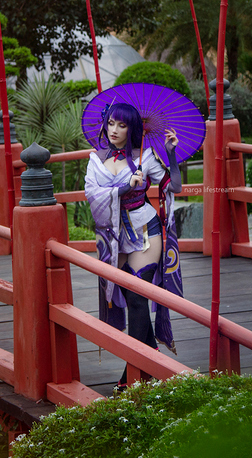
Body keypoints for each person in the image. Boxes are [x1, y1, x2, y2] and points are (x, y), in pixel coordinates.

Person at [84, 102, 184, 389]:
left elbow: (174, 187)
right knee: (128, 298)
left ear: (133, 129)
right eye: (111, 123)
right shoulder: (96, 160)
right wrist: (125, 187)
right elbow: (93, 197)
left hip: (145, 231)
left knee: (139, 296)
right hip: (113, 237)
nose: (114, 130)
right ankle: (151, 358)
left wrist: (172, 154)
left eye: (122, 125)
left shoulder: (147, 157)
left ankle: (132, 376)